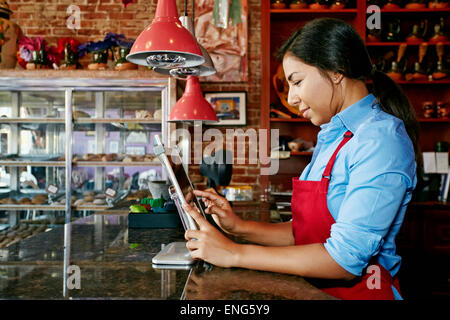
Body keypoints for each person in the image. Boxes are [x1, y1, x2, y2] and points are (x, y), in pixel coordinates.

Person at [182, 18, 419, 300]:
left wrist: (234, 252)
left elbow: (343, 260)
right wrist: (239, 227)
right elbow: (307, 233)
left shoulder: (380, 140)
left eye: (297, 82)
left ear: (335, 71)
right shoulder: (332, 136)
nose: (291, 98)